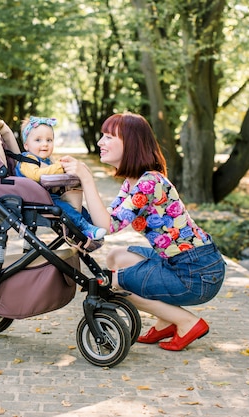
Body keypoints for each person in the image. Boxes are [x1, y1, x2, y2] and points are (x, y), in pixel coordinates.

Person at [59, 113, 225, 351]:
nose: (100, 143)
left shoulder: (149, 182)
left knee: (110, 282)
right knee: (116, 257)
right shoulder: (132, 182)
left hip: (196, 273)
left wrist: (87, 178)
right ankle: (166, 319)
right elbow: (107, 220)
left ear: (130, 142)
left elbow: (108, 226)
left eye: (108, 137)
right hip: (183, 263)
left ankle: (187, 322)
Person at [15, 116, 106, 241]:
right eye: (38, 140)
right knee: (65, 208)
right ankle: (85, 228)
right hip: (33, 199)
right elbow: (37, 175)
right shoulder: (27, 160)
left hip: (46, 197)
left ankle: (91, 224)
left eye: (49, 140)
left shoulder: (46, 161)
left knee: (76, 208)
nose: (45, 144)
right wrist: (59, 167)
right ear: (26, 145)